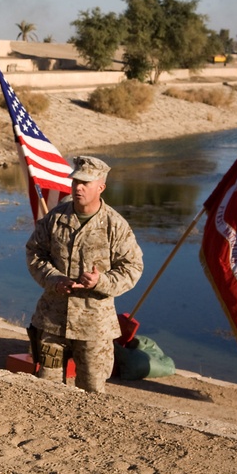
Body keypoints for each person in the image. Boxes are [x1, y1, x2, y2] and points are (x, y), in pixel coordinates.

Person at [25, 155, 144, 393]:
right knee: (46, 391)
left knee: (92, 392)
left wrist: (102, 281)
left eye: (86, 183)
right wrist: (53, 279)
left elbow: (132, 267)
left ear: (101, 187)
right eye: (75, 181)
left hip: (94, 326)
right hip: (53, 321)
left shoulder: (115, 225)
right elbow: (35, 253)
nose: (78, 187)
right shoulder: (55, 218)